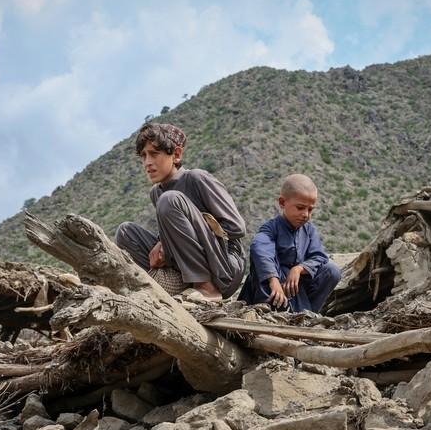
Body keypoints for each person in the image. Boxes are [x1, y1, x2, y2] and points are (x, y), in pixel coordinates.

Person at [115, 123, 246, 300]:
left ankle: (207, 289)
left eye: (154, 154)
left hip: (224, 268)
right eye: (143, 156)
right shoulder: (156, 192)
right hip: (187, 265)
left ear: (176, 155)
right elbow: (177, 232)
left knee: (169, 200)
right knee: (125, 232)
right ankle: (158, 287)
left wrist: (166, 244)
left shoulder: (196, 179)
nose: (147, 163)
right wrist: (163, 244)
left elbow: (237, 227)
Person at [238, 174, 340, 312]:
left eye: (310, 209)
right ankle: (268, 312)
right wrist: (273, 280)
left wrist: (299, 269)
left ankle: (308, 313)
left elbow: (319, 257)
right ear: (282, 203)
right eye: (300, 207)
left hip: (297, 289)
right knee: (265, 262)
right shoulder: (271, 228)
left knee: (331, 271)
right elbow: (259, 248)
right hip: (272, 291)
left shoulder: (309, 230)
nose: (305, 214)